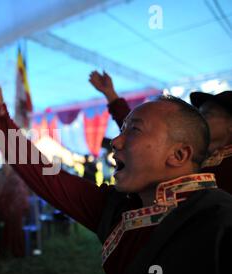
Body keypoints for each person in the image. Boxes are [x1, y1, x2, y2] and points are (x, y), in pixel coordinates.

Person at [0, 61, 232, 274]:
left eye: (134, 129)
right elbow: (45, 174)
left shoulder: (219, 222)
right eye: (123, 128)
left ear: (179, 154)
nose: (115, 141)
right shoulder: (119, 209)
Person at [89, 71, 232, 194]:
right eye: (199, 113)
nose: (200, 119)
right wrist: (111, 95)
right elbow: (142, 133)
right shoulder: (202, 156)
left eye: (207, 114)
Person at [0, 164, 29, 257]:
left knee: (16, 230)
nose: (4, 170)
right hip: (10, 209)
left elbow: (19, 194)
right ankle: (11, 250)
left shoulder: (15, 178)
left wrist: (11, 206)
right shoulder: (8, 178)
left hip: (16, 209)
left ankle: (18, 251)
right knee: (9, 230)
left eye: (6, 168)